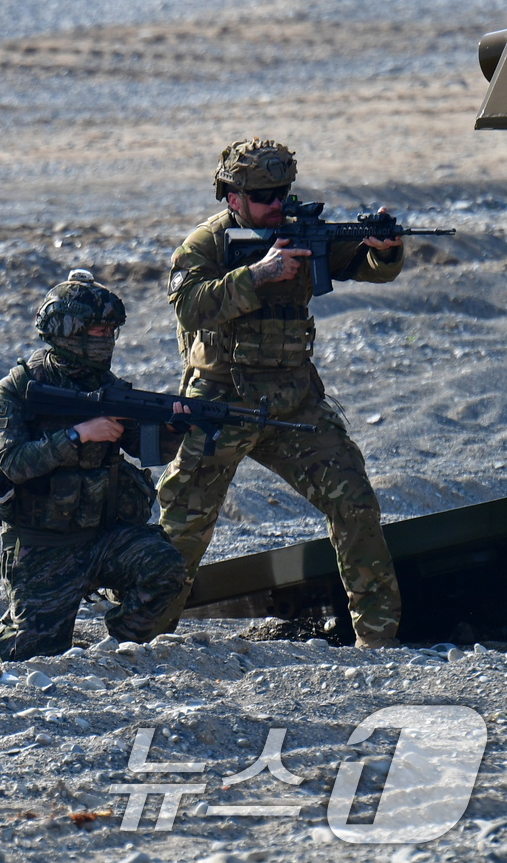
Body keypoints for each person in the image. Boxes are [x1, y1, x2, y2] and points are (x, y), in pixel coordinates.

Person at [156, 138, 405, 648]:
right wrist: (258, 274)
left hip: (294, 403)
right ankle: (138, 637)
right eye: (265, 194)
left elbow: (367, 265)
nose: (276, 204)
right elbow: (189, 307)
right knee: (182, 527)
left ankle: (378, 642)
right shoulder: (205, 244)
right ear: (232, 196)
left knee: (354, 501)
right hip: (222, 403)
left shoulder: (298, 230)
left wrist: (383, 249)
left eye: (283, 192)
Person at [0, 271, 188, 668]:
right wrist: (78, 436)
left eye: (111, 331)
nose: (106, 340)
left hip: (101, 536)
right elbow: (10, 463)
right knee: (31, 654)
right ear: (68, 332)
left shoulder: (109, 386)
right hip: (43, 542)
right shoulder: (20, 389)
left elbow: (146, 450)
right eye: (97, 331)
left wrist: (172, 427)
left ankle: (118, 654)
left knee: (165, 568)